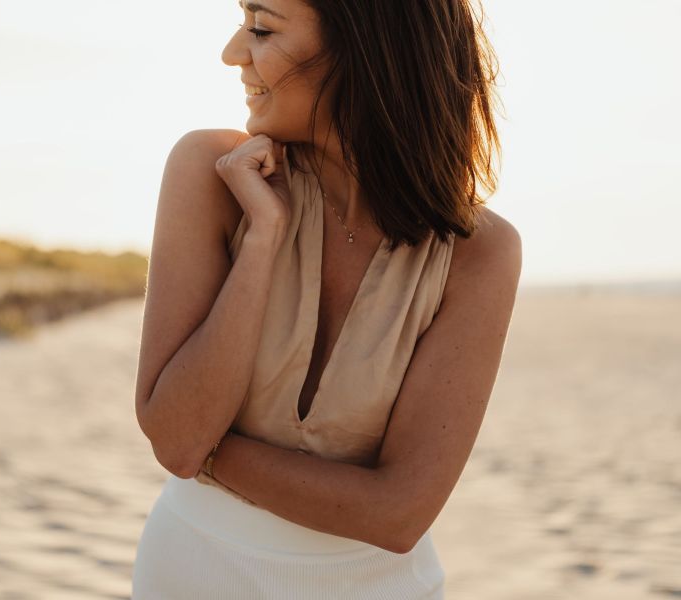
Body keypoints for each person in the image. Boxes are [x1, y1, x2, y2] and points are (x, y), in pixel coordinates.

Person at [131, 0, 521, 597]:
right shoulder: (211, 174)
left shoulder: (479, 253)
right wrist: (262, 239)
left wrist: (209, 456)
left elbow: (398, 515)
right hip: (191, 574)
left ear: (365, 48)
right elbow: (177, 436)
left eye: (261, 28)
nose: (234, 52)